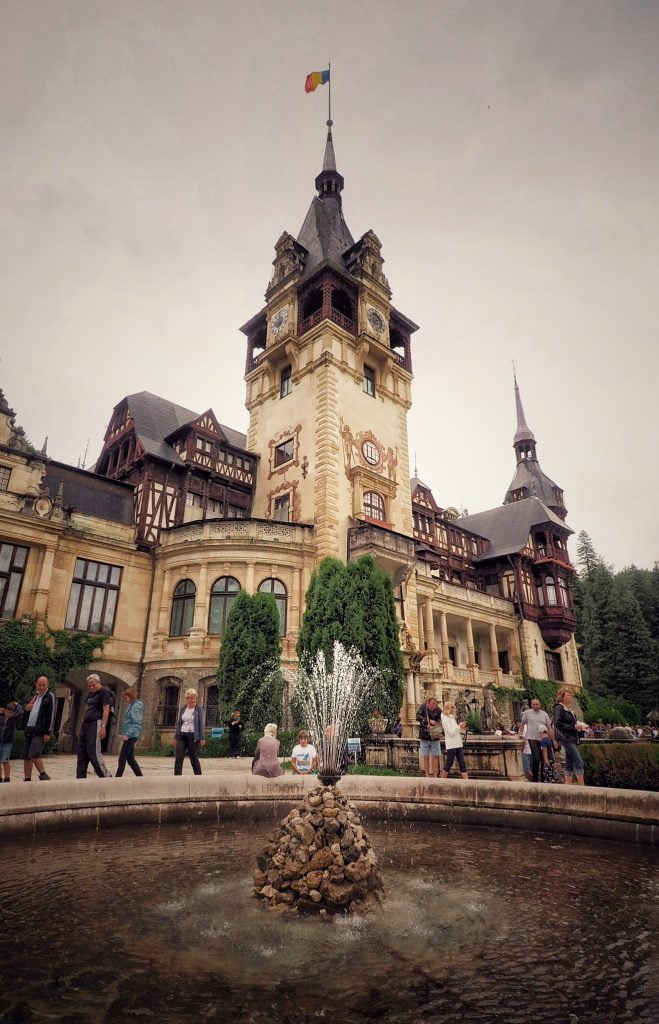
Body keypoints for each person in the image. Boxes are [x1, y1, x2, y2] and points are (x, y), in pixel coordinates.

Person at [76, 674, 113, 778]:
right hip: (86, 724)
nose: (91, 687)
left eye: (93, 685)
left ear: (98, 682)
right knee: (81, 753)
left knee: (93, 753)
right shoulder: (90, 694)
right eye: (89, 685)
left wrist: (103, 726)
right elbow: (86, 709)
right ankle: (80, 778)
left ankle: (105, 776)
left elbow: (106, 709)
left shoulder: (104, 692)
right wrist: (81, 726)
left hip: (95, 723)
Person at [23, 675, 56, 781]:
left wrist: (47, 732)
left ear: (47, 685)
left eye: (43, 685)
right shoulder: (35, 696)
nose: (41, 687)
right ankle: (27, 778)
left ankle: (43, 775)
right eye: (39, 685)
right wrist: (26, 708)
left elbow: (51, 715)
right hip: (30, 729)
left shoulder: (49, 696)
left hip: (40, 731)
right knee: (26, 756)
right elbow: (28, 711)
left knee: (34, 754)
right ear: (36, 685)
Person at [553, 687, 585, 786]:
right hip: (566, 738)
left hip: (570, 737)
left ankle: (568, 785)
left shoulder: (569, 709)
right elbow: (557, 723)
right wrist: (573, 727)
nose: (570, 697)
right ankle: (582, 786)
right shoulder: (559, 707)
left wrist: (577, 727)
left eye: (570, 695)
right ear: (561, 697)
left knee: (569, 763)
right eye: (567, 695)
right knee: (579, 762)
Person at [519, 698, 554, 783]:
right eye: (533, 704)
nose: (535, 706)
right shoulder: (527, 713)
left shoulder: (544, 714)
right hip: (531, 738)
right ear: (531, 705)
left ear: (539, 704)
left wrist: (553, 740)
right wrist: (520, 733)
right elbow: (522, 723)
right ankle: (535, 778)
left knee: (543, 759)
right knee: (536, 758)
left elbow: (549, 727)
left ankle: (542, 778)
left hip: (542, 738)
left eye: (537, 704)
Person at [174, 688, 205, 775]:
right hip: (182, 735)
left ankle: (198, 776)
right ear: (187, 699)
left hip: (193, 736)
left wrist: (202, 738)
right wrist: (176, 736)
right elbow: (179, 723)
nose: (193, 700)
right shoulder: (183, 709)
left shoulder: (198, 709)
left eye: (194, 698)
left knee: (194, 758)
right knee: (179, 757)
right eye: (191, 698)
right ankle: (177, 777)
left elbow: (201, 724)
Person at [115, 687, 144, 777]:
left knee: (122, 759)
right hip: (130, 735)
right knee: (130, 759)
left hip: (131, 736)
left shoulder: (135, 706)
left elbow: (136, 723)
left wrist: (128, 734)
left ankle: (117, 778)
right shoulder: (131, 705)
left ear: (131, 696)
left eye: (126, 698)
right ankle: (140, 777)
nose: (125, 700)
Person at [440, 700, 469, 779]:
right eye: (453, 707)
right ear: (449, 708)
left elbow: (455, 730)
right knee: (449, 764)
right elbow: (450, 732)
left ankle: (467, 782)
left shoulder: (451, 717)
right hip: (452, 745)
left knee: (462, 763)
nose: (455, 709)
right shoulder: (445, 719)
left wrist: (462, 727)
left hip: (458, 743)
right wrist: (459, 726)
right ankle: (442, 781)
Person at [416, 694, 443, 778]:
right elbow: (417, 717)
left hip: (435, 737)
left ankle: (435, 776)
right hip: (424, 735)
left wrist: (436, 723)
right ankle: (427, 775)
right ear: (428, 703)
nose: (432, 708)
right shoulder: (423, 707)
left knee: (435, 757)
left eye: (434, 706)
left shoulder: (438, 710)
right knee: (426, 757)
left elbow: (442, 721)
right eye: (431, 706)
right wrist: (426, 722)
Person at [0, 701, 23, 782]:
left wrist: (17, 704)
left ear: (14, 713)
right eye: (7, 712)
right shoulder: (1, 718)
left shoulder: (13, 720)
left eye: (11, 712)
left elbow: (20, 712)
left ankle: (7, 778)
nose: (8, 714)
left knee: (5, 761)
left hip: (7, 743)